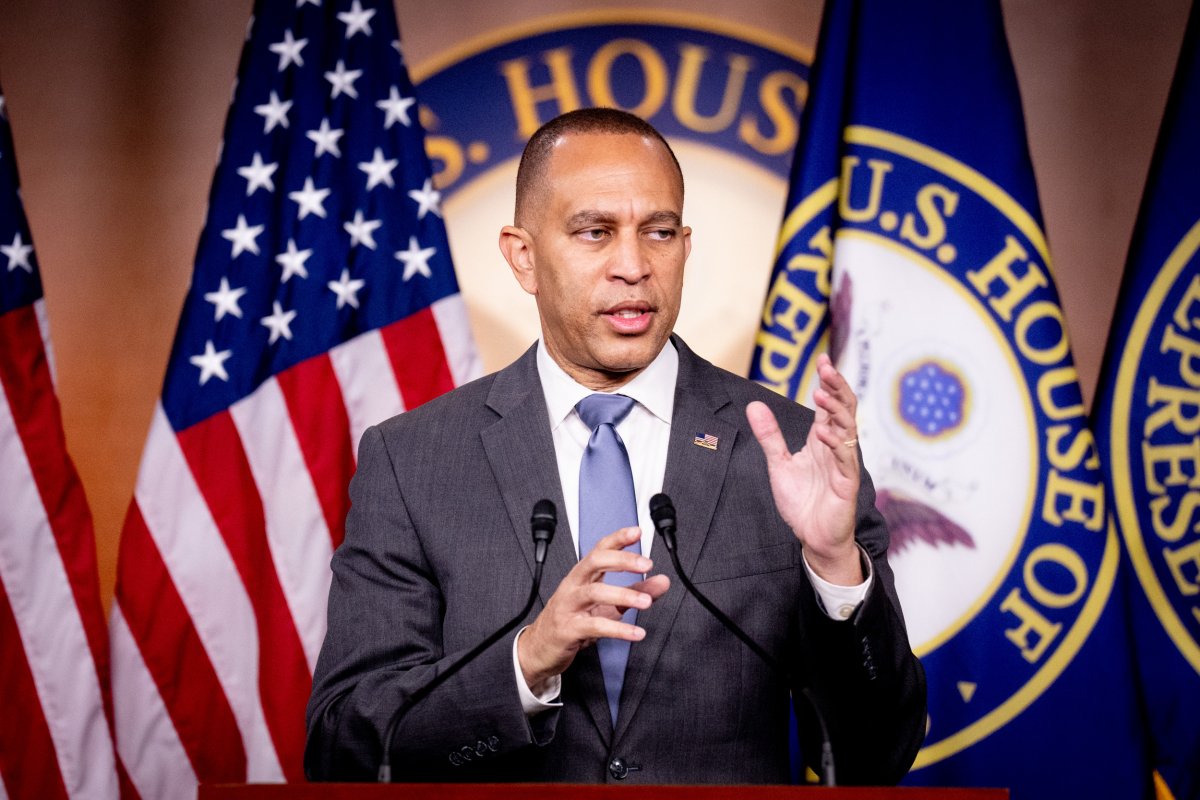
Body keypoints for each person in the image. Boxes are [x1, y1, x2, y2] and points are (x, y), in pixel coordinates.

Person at [304, 108, 926, 784]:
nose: (633, 266)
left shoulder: (795, 451)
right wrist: (528, 662)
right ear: (523, 255)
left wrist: (835, 568)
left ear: (685, 247)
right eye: (594, 232)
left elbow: (872, 759)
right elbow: (347, 748)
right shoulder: (414, 460)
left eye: (657, 233)